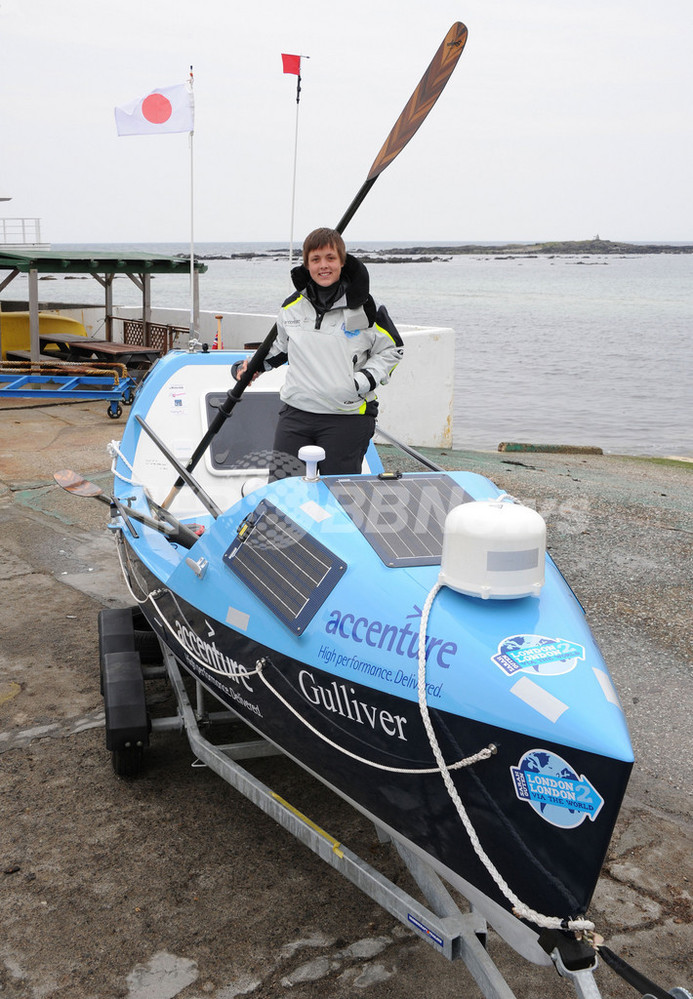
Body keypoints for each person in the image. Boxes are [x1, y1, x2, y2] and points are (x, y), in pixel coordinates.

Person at [233, 227, 403, 475]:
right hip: (297, 414)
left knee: (338, 495)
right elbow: (281, 348)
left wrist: (360, 381)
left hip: (346, 416)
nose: (324, 266)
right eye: (316, 259)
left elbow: (392, 350)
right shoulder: (292, 307)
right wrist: (254, 366)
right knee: (284, 491)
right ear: (307, 265)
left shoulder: (365, 307)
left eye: (330, 258)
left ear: (342, 262)